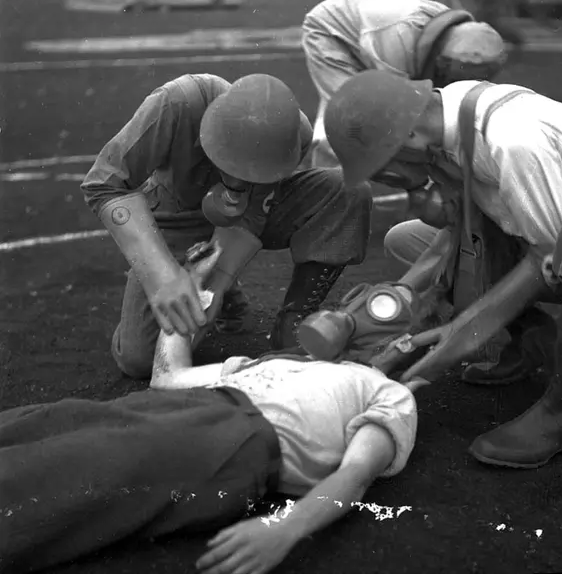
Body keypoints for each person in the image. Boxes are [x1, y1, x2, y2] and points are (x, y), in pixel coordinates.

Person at [0, 244, 418, 574]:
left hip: (240, 439)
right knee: (54, 420)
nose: (356, 317)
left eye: (383, 312)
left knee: (86, 464)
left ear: (403, 342)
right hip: (183, 405)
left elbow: (355, 475)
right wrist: (194, 286)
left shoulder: (388, 394)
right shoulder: (278, 361)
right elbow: (168, 376)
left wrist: (287, 527)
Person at [323, 69, 562, 469]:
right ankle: (533, 341)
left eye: (382, 170)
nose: (388, 181)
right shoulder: (447, 113)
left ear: (409, 137)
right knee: (405, 239)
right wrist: (403, 296)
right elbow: (466, 230)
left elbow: (546, 259)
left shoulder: (513, 140)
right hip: (550, 232)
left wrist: (456, 339)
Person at [80, 73, 371, 379]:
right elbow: (104, 183)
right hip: (176, 218)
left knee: (345, 190)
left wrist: (218, 280)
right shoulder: (176, 104)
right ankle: (211, 288)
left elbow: (254, 210)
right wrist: (163, 277)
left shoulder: (292, 133)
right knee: (141, 359)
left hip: (244, 214)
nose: (240, 180)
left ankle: (293, 319)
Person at [301, 0, 507, 169]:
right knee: (351, 115)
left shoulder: (462, 37)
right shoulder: (397, 41)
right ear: (442, 60)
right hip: (332, 31)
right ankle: (330, 184)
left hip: (372, 33)